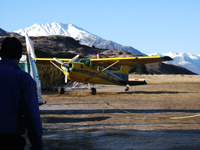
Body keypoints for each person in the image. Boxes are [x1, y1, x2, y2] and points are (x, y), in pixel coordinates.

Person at [0, 37, 43, 150]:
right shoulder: (23, 78)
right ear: (19, 55)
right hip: (10, 142)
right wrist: (37, 145)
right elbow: (32, 116)